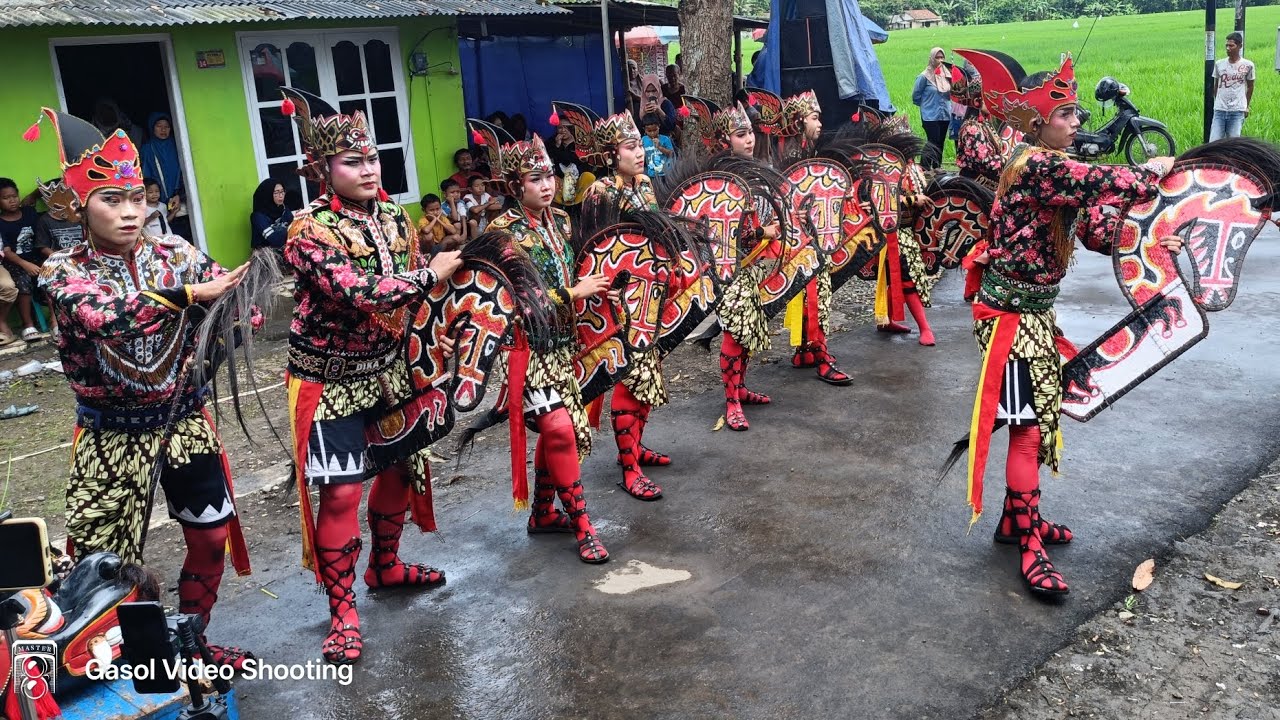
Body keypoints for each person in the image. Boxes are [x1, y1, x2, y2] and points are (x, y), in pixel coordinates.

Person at [26, 107, 259, 667]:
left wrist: (238, 308)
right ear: (78, 205)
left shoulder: (177, 253)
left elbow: (227, 298)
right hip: (112, 436)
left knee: (211, 536)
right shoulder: (62, 272)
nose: (131, 212)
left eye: (137, 197)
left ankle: (191, 643)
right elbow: (103, 317)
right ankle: (130, 655)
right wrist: (189, 298)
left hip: (183, 423)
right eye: (112, 200)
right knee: (104, 564)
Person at [953, 50, 1181, 597]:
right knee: (1029, 430)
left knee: (1034, 422)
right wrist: (1148, 173)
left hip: (1034, 313)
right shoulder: (1034, 165)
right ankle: (1029, 543)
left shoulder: (1055, 169)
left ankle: (1016, 521)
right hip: (1009, 318)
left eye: (1076, 112)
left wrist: (1153, 239)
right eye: (1065, 114)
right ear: (1036, 121)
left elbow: (1099, 229)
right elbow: (1099, 182)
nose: (1077, 122)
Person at [278, 86, 463, 664]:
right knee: (340, 492)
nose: (367, 169)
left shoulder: (394, 216)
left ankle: (385, 566)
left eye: (373, 158)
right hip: (328, 380)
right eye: (352, 161)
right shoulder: (307, 231)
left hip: (389, 370)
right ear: (322, 169)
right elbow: (361, 292)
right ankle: (343, 612)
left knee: (402, 468)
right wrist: (431, 276)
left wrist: (440, 326)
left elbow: (413, 298)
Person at [469, 118, 614, 563]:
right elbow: (513, 302)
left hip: (565, 345)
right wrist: (573, 292)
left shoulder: (563, 221)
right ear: (516, 185)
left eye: (549, 175)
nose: (547, 185)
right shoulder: (502, 233)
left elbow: (575, 273)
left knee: (559, 429)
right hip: (527, 349)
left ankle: (543, 513)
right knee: (559, 429)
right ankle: (584, 526)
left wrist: (595, 288)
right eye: (535, 178)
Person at [555, 100, 673, 501]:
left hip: (650, 292)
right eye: (630, 147)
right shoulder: (599, 193)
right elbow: (591, 252)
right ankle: (629, 468)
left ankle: (636, 446)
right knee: (628, 376)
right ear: (611, 154)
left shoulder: (645, 185)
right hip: (618, 300)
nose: (639, 152)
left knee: (649, 374)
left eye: (639, 145)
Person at [683, 95, 783, 431]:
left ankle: (740, 387)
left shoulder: (754, 171)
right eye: (741, 134)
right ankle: (731, 401)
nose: (750, 139)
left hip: (751, 266)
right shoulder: (718, 179)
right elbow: (723, 231)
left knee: (748, 327)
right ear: (725, 141)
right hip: (725, 269)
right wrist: (763, 231)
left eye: (750, 132)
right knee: (735, 331)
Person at [749, 87, 854, 385]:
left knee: (812, 294)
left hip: (806, 237)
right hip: (800, 241)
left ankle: (805, 351)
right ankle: (821, 358)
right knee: (816, 296)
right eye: (814, 118)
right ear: (799, 122)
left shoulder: (801, 153)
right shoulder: (793, 156)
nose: (820, 123)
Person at [0, 177, 43, 342]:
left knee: (51, 276)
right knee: (22, 281)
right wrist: (25, 264)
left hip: (36, 258)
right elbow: (7, 252)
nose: (12, 200)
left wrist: (33, 195)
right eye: (5, 198)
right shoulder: (1, 223)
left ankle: (55, 321)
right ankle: (28, 324)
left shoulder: (29, 213)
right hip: (15, 262)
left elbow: (52, 186)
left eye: (14, 196)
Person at [140, 112, 191, 241]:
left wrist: (179, 194)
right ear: (152, 128)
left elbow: (185, 172)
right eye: (159, 126)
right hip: (157, 201)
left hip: (181, 200)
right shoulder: (147, 149)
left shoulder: (177, 145)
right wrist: (154, 197)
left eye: (167, 126)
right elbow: (146, 176)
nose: (163, 130)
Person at [912, 47, 952, 169]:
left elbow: (952, 93)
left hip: (945, 114)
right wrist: (926, 105)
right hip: (930, 115)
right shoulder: (924, 76)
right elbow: (916, 95)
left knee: (940, 142)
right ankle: (924, 167)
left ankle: (936, 167)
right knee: (932, 141)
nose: (940, 60)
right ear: (932, 58)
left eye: (942, 57)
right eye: (937, 57)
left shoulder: (947, 75)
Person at [1210, 32, 1255, 141]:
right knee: (1214, 142)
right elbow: (1216, 85)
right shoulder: (1219, 64)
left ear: (1240, 46)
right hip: (1220, 110)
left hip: (1237, 111)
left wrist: (1246, 106)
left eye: (1231, 46)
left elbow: (1250, 87)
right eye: (1226, 45)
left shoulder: (1248, 65)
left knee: (1233, 143)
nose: (1228, 48)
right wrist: (1218, 101)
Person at [249, 179, 291, 250]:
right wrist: (292, 228)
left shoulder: (284, 209)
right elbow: (275, 240)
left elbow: (296, 227)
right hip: (266, 254)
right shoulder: (258, 217)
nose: (281, 196)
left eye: (282, 191)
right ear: (267, 194)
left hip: (285, 251)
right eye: (276, 193)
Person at [439, 179, 469, 244]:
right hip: (449, 229)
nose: (456, 194)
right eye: (452, 192)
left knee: (473, 222)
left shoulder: (460, 202)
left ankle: (472, 242)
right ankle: (456, 244)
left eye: (458, 192)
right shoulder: (443, 206)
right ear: (445, 194)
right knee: (457, 224)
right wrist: (452, 202)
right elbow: (454, 218)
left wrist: (464, 233)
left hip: (460, 226)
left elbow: (463, 217)